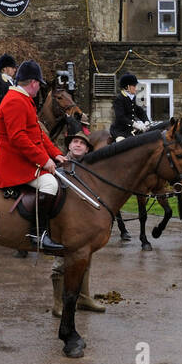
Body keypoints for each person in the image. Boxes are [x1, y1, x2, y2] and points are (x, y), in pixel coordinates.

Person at [0, 60, 64, 252]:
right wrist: (44, 160)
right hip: (14, 162)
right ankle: (37, 234)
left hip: (24, 157)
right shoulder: (15, 101)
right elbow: (18, 138)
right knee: (50, 184)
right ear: (33, 82)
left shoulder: (24, 99)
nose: (38, 88)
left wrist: (57, 154)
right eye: (38, 85)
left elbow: (39, 134)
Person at [50, 121, 105, 314]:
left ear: (88, 148)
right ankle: (58, 303)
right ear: (69, 146)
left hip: (84, 224)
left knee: (85, 259)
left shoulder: (91, 171)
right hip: (63, 223)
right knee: (60, 263)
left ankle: (84, 298)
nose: (78, 145)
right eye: (74, 142)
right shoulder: (58, 165)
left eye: (82, 143)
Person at [110, 72, 149, 140]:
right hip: (120, 131)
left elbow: (140, 112)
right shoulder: (119, 99)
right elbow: (120, 117)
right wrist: (135, 124)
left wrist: (146, 121)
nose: (136, 88)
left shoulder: (134, 98)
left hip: (131, 130)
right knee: (121, 143)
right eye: (134, 86)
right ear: (127, 87)